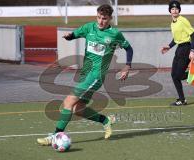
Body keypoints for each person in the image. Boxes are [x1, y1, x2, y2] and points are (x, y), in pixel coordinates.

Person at [37, 4, 133, 145]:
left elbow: (129, 49)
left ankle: (55, 135)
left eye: (104, 19)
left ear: (110, 18)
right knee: (77, 109)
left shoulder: (115, 34)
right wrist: (68, 36)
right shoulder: (89, 27)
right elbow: (74, 35)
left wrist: (127, 66)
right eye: (99, 17)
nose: (101, 21)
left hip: (96, 75)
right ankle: (105, 121)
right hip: (86, 73)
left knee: (68, 102)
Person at [161, 0, 194, 106]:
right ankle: (182, 99)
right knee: (174, 76)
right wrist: (169, 47)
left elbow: (192, 34)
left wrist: (192, 50)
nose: (174, 10)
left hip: (186, 48)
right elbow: (176, 39)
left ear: (179, 10)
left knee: (178, 75)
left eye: (176, 9)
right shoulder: (172, 23)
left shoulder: (183, 20)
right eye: (172, 9)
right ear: (170, 11)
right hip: (179, 49)